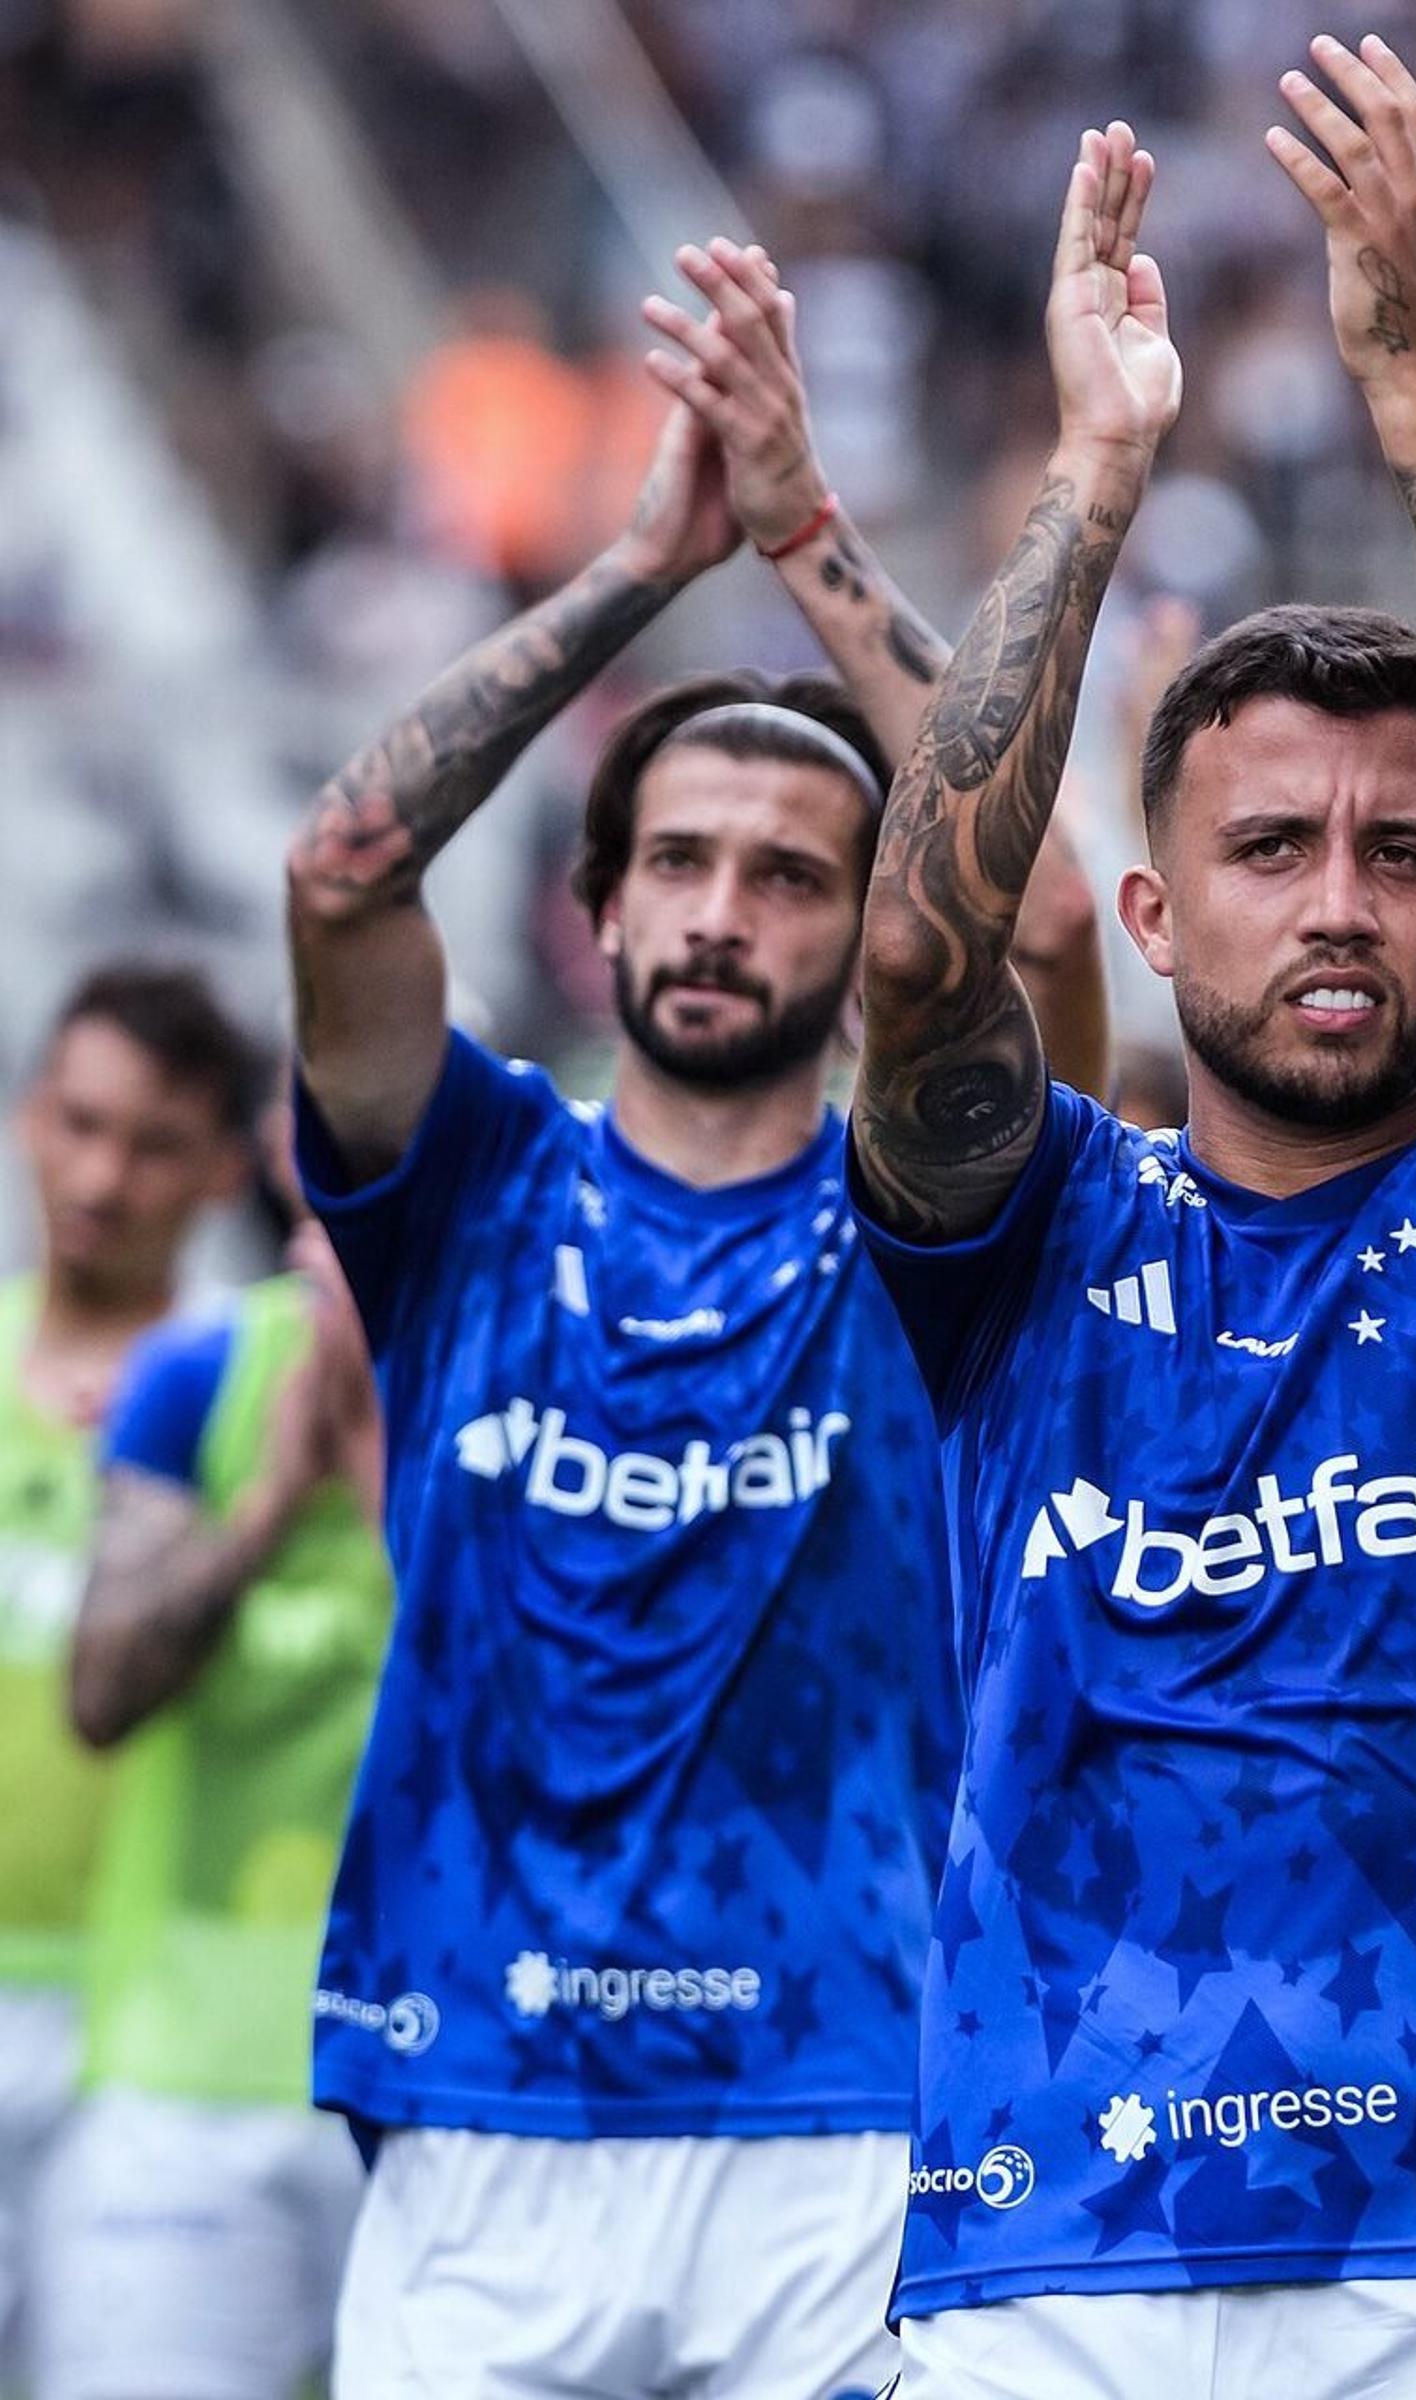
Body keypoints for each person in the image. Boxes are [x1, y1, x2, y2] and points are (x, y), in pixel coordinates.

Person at [846, 68, 1416, 2394]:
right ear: (1147, 913)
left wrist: (1415, 383)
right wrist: (1096, 469)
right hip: (1041, 2260)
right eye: (1269, 846)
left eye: (1403, 850)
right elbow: (920, 965)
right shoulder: (1027, 1229)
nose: (1339, 897)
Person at [278, 231, 1098, 2391]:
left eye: (795, 873)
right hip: (476, 2094)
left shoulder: (939, 1228)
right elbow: (346, 875)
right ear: (599, 905)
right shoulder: (469, 1188)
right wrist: (648, 563)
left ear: (859, 935)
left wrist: (810, 541)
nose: (726, 912)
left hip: (837, 2111)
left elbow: (1051, 920)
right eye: (682, 862)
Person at [45, 1138, 391, 2400]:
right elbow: (102, 1693)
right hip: (183, 2095)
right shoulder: (199, 1375)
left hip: (425, 2103)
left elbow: (550, 1734)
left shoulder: (517, 1407)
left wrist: (372, 1481)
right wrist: (268, 1502)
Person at [0, 965, 262, 2389]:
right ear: (31, 1117)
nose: (102, 1178)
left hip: (141, 2033)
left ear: (226, 1166)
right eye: (79, 1124)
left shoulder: (248, 1392)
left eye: (153, 1143)